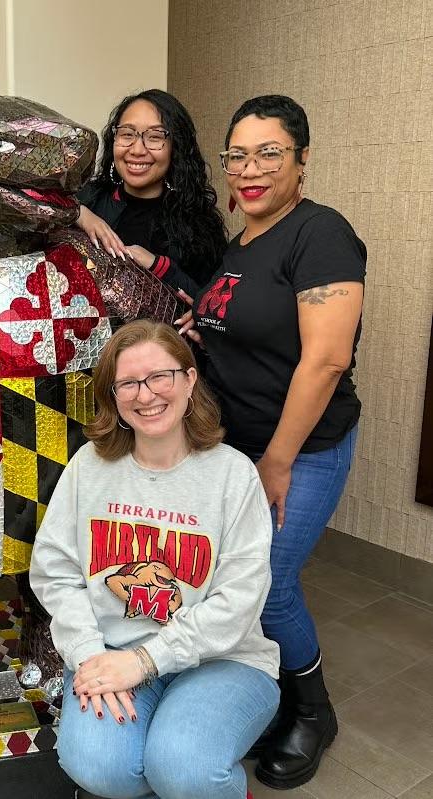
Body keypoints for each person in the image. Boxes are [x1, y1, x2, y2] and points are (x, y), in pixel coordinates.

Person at [182, 95, 365, 790]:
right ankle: (277, 694)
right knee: (235, 580)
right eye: (237, 154)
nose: (249, 168)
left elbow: (324, 359)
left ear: (302, 159)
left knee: (268, 584)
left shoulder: (321, 233)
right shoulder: (242, 243)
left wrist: (278, 460)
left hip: (301, 449)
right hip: (236, 450)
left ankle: (313, 710)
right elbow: (238, 325)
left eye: (269, 153)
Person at [29, 320, 279, 799]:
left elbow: (240, 599)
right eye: (128, 383)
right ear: (114, 395)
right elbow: (56, 574)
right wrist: (90, 656)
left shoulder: (233, 474)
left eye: (160, 376)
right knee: (100, 767)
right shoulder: (89, 467)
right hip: (113, 653)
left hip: (221, 660)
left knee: (183, 768)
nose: (146, 395)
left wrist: (147, 661)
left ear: (189, 381)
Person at [77, 89, 227, 299]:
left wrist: (159, 266)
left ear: (176, 147)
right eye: (127, 134)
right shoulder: (87, 198)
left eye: (155, 137)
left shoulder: (199, 224)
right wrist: (79, 214)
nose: (137, 149)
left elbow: (212, 308)